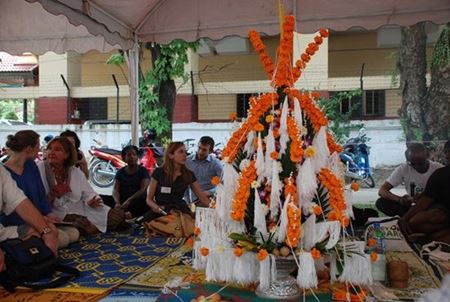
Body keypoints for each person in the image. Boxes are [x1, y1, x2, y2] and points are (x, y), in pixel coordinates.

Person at [1, 130, 79, 248]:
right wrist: (40, 222)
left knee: (73, 233)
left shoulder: (31, 166)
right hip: (17, 224)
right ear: (28, 149)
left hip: (39, 220)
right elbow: (10, 211)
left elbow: (41, 195)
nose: (40, 149)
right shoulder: (4, 173)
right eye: (38, 146)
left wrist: (48, 214)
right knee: (63, 238)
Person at [37, 136, 124, 234]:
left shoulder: (75, 172)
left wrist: (91, 201)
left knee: (115, 216)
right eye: (49, 149)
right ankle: (90, 228)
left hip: (81, 207)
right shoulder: (40, 169)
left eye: (57, 150)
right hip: (56, 212)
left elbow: (89, 192)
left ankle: (95, 227)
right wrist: (53, 194)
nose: (51, 152)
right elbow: (36, 199)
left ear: (66, 155)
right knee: (81, 223)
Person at [0, 164, 59, 271]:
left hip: (3, 233)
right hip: (8, 227)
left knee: (49, 230)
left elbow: (19, 201)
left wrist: (46, 231)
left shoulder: (1, 171)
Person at [399, 140, 450, 243]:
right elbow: (424, 201)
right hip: (443, 212)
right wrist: (404, 219)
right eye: (447, 151)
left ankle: (431, 238)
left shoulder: (437, 168)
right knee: (414, 222)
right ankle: (435, 237)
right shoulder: (440, 174)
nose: (448, 155)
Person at [145, 142, 210, 221]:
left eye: (185, 152)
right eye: (181, 152)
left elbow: (202, 197)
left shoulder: (188, 174)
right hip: (160, 211)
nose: (185, 155)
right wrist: (157, 208)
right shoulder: (158, 172)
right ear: (171, 155)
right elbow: (149, 199)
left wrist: (216, 209)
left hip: (180, 211)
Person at [376, 143, 443, 217]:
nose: (417, 167)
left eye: (421, 163)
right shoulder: (404, 168)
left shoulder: (439, 169)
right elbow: (382, 191)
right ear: (407, 160)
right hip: (413, 206)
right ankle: (413, 218)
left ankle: (411, 218)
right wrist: (400, 200)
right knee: (381, 202)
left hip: (432, 206)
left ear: (427, 156)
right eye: (412, 163)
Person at [112, 145, 150, 219]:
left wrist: (129, 200)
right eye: (129, 155)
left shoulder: (143, 171)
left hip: (138, 201)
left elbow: (143, 189)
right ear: (124, 158)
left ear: (137, 157)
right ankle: (122, 214)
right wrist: (117, 202)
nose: (132, 157)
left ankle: (125, 215)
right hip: (123, 201)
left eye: (134, 154)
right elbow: (115, 189)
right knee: (102, 199)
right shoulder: (120, 172)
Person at [185, 136, 223, 203]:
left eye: (204, 150)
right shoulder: (187, 161)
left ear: (210, 151)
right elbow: (185, 183)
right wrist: (187, 201)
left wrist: (209, 192)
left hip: (210, 199)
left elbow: (223, 183)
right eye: (199, 148)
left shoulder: (215, 163)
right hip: (194, 201)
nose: (200, 152)